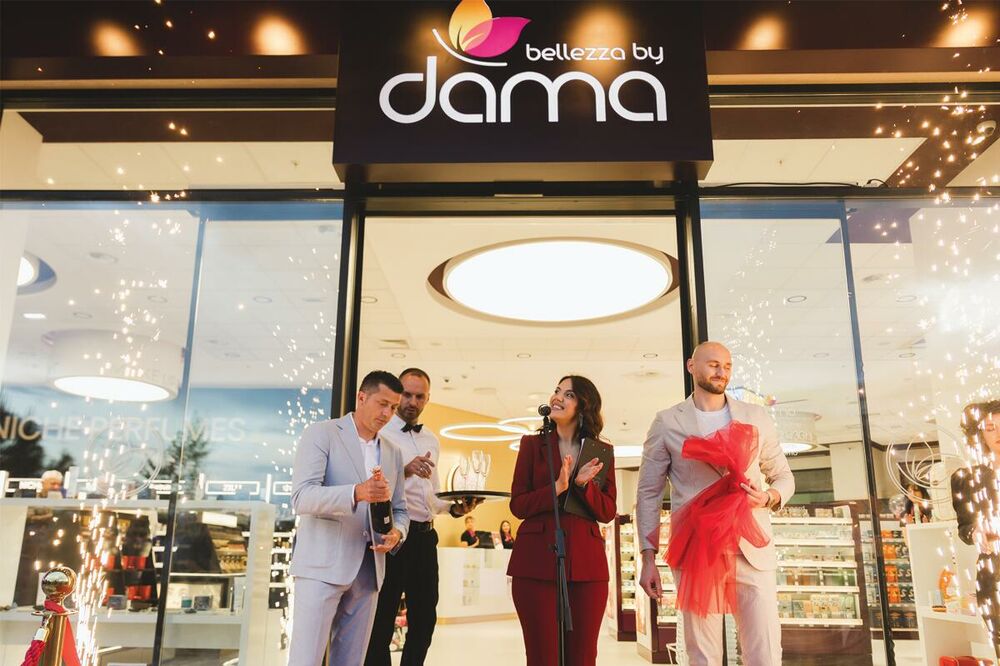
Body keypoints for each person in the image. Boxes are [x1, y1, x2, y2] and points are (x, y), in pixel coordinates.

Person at [636, 341, 795, 666]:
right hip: (697, 548)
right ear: (691, 366)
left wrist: (769, 496)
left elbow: (784, 477)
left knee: (765, 651)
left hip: (751, 548)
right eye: (713, 364)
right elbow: (648, 493)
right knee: (702, 655)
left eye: (727, 366)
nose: (721, 372)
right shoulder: (667, 421)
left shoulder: (755, 416)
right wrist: (647, 557)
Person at [288, 371, 410, 666]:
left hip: (369, 572)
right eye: (382, 404)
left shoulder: (393, 452)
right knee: (306, 660)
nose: (387, 414)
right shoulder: (322, 433)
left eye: (393, 407)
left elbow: (401, 510)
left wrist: (397, 533)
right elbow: (302, 497)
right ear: (361, 397)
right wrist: (357, 492)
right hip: (321, 566)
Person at [365, 368, 480, 666]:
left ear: (428, 399)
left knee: (425, 618)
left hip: (425, 537)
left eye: (420, 396)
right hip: (392, 537)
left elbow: (432, 493)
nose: (412, 402)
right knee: (381, 620)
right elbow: (369, 485)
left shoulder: (431, 440)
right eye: (407, 394)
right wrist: (404, 469)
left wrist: (455, 509)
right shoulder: (379, 433)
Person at [508, 375, 616, 666]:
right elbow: (518, 504)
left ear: (584, 405)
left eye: (568, 394)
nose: (557, 397)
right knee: (542, 657)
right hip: (535, 564)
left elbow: (607, 511)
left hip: (587, 567)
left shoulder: (602, 452)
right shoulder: (531, 445)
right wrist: (556, 488)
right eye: (557, 391)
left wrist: (582, 485)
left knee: (583, 657)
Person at [950, 399, 1000, 658]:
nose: (998, 433)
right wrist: (976, 532)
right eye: (991, 428)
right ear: (980, 433)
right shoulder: (966, 478)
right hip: (994, 573)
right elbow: (964, 528)